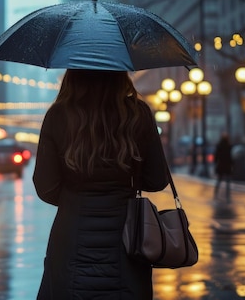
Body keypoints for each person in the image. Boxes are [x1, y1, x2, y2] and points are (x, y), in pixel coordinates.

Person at [33, 69, 171, 299]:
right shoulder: (138, 113)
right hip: (127, 241)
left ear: (73, 75)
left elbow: (45, 186)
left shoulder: (58, 115)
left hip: (70, 240)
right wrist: (127, 179)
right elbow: (157, 180)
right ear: (120, 75)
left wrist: (74, 197)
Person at [213, 132, 233, 202]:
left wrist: (215, 163)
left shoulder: (219, 145)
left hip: (221, 165)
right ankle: (228, 195)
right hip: (227, 166)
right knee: (228, 181)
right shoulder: (229, 146)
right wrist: (232, 164)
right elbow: (231, 157)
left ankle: (215, 193)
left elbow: (216, 156)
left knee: (219, 180)